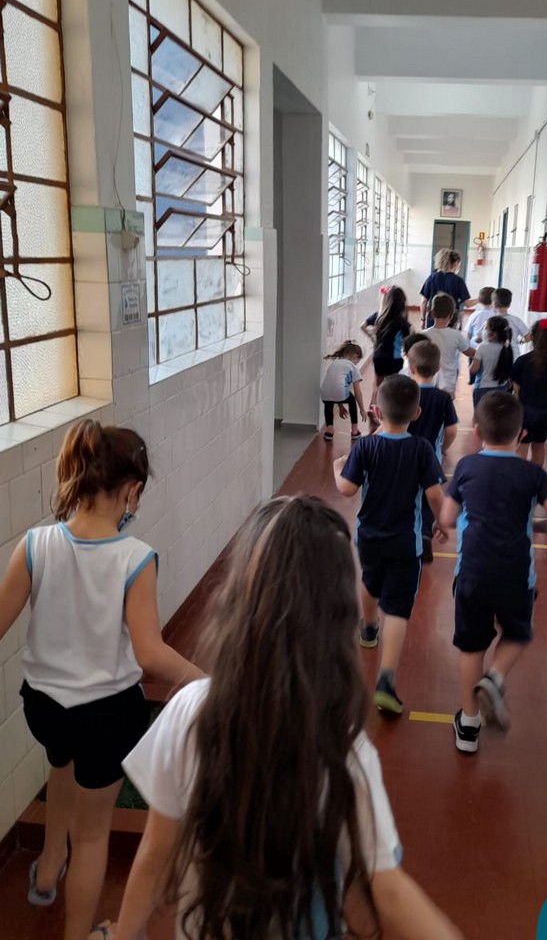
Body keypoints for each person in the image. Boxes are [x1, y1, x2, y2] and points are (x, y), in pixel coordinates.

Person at [108, 497, 463, 940]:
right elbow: (388, 890)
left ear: (237, 602)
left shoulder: (189, 711)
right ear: (336, 619)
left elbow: (155, 852)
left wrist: (122, 935)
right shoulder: (341, 749)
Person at [0, 419, 201, 940]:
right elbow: (150, 652)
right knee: (91, 836)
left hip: (44, 707)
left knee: (60, 764)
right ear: (131, 489)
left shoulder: (34, 544)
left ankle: (48, 870)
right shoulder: (135, 559)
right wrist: (204, 679)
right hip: (107, 716)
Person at [439, 392, 547, 755]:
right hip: (515, 576)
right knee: (517, 633)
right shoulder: (532, 473)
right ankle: (494, 678)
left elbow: (446, 518)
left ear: (477, 432)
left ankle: (468, 724)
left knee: (471, 646)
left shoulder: (466, 467)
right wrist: (534, 525)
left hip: (472, 574)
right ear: (521, 434)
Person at [334, 376, 446, 716]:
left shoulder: (365, 447)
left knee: (370, 581)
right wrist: (440, 521)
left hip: (369, 537)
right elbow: (434, 495)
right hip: (405, 543)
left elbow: (347, 489)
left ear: (377, 412)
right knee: (397, 608)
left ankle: (368, 628)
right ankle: (385, 681)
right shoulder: (422, 449)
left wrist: (337, 468)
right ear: (417, 413)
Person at [406, 339, 459, 562]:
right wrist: (444, 448)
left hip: (404, 455)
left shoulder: (405, 393)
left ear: (411, 367)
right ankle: (425, 534)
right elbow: (452, 430)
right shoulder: (443, 398)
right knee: (429, 496)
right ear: (437, 368)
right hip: (431, 458)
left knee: (407, 495)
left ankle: (407, 532)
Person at [510, 318, 547, 466]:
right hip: (546, 414)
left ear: (532, 337)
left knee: (522, 447)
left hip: (524, 412)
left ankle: (519, 479)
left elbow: (516, 392)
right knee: (539, 447)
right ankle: (535, 478)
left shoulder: (521, 362)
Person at [361, 285, 411, 423]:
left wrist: (372, 337)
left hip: (378, 357)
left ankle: (372, 406)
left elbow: (362, 326)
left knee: (377, 383)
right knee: (390, 385)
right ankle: (387, 410)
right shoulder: (402, 322)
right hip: (394, 359)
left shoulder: (378, 316)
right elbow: (407, 340)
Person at [424, 293, 474, 397]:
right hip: (448, 382)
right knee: (446, 404)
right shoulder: (456, 335)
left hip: (427, 381)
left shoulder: (423, 335)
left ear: (431, 313)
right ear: (451, 315)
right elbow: (469, 352)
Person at [320, 340, 367, 441]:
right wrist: (362, 409)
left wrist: (341, 406)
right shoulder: (353, 367)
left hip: (324, 392)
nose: (357, 363)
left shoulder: (334, 364)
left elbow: (334, 386)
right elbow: (357, 391)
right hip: (339, 393)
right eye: (358, 361)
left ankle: (329, 431)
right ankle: (355, 431)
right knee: (352, 400)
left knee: (328, 403)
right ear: (356, 356)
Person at [470, 315, 515, 409]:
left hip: (482, 388)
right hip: (502, 388)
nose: (483, 331)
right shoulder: (507, 348)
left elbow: (474, 369)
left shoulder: (482, 347)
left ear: (492, 334)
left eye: (485, 328)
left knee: (481, 415)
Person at [420, 248, 471, 328]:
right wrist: (481, 298)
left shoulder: (431, 278)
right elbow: (467, 304)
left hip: (433, 320)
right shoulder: (458, 281)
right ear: (455, 263)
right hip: (451, 320)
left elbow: (423, 302)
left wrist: (422, 320)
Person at [465, 286, 495, 385]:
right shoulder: (495, 315)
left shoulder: (474, 314)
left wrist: (467, 345)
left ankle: (472, 379)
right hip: (490, 347)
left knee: (473, 364)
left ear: (480, 300)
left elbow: (468, 333)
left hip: (474, 348)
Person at [491, 288, 529, 362]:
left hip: (494, 357)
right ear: (509, 304)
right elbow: (528, 337)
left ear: (494, 304)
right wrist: (519, 341)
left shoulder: (489, 321)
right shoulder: (516, 320)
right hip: (513, 356)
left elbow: (478, 338)